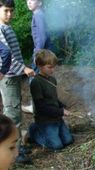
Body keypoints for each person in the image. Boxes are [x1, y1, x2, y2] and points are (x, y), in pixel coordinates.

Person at [0, 0, 35, 164]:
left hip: (13, 76)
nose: (9, 14)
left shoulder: (7, 27)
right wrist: (24, 69)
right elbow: (6, 56)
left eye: (11, 11)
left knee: (16, 112)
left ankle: (17, 146)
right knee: (13, 115)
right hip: (8, 77)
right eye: (6, 10)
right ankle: (14, 152)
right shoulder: (0, 29)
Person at [28, 49, 73, 150]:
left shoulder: (52, 79)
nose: (52, 70)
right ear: (39, 66)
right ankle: (34, 131)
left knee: (68, 141)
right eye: (49, 67)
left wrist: (62, 105)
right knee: (56, 146)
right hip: (45, 119)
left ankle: (51, 134)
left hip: (56, 117)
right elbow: (41, 107)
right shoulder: (36, 82)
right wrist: (60, 111)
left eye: (54, 67)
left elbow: (53, 98)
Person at [23, 0, 53, 113]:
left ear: (40, 3)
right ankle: (44, 104)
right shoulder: (40, 14)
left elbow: (42, 37)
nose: (28, 2)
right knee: (43, 78)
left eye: (32, 0)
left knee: (34, 77)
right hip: (44, 51)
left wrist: (38, 54)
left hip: (40, 52)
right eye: (28, 0)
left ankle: (35, 106)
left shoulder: (38, 15)